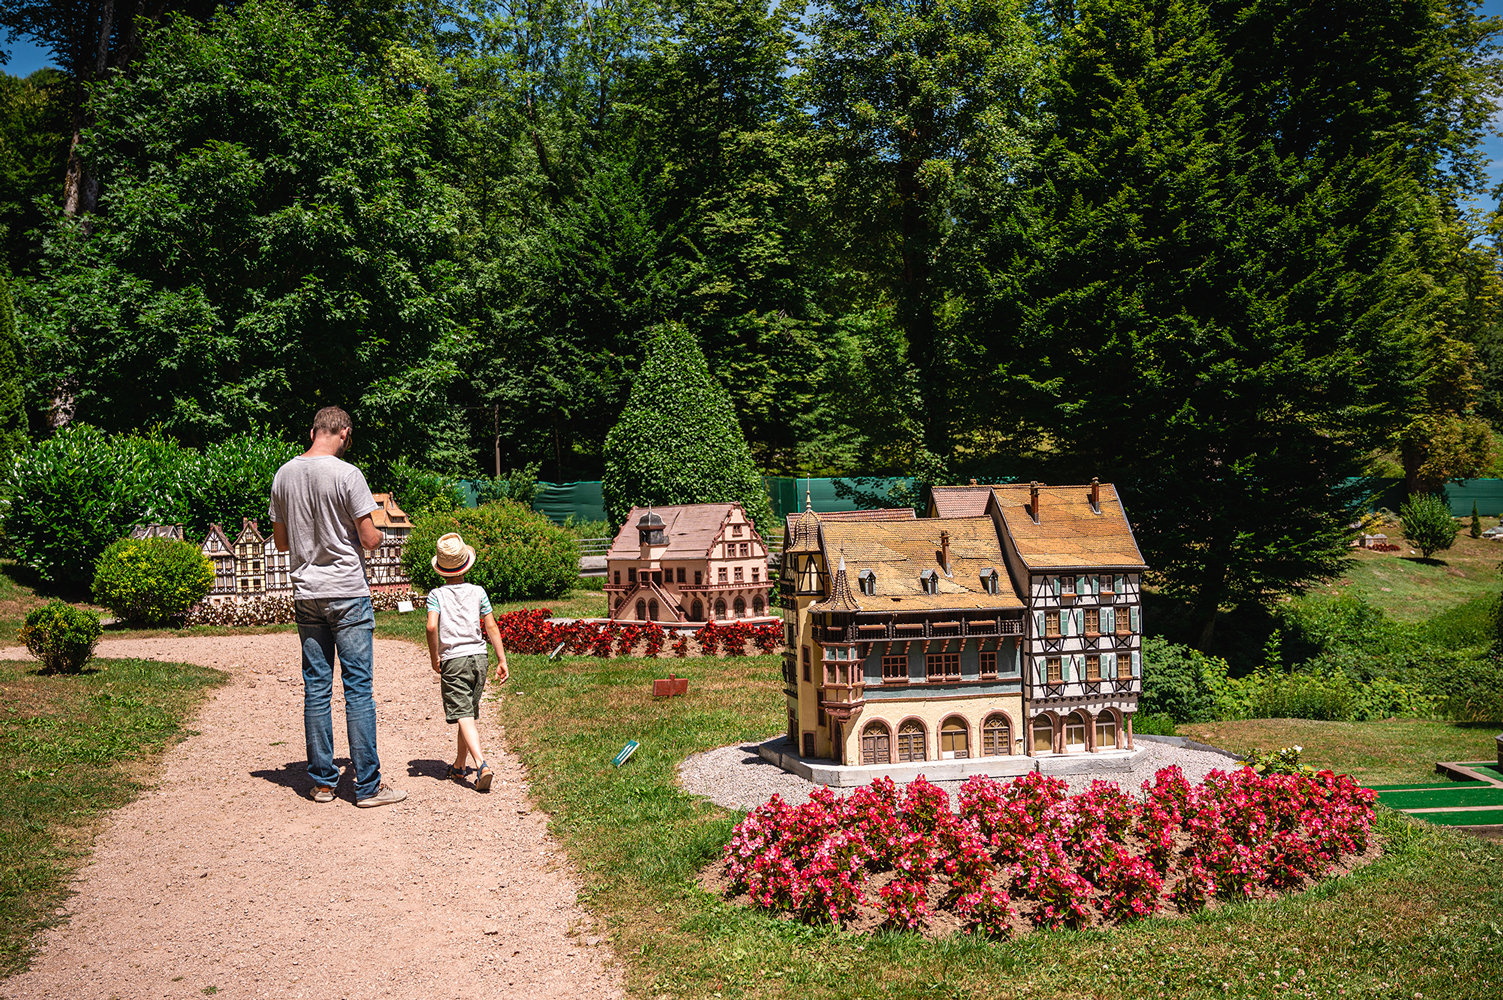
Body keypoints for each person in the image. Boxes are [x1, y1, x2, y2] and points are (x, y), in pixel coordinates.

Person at [270, 406, 406, 808]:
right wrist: (378, 534)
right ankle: (367, 787)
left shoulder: (283, 475)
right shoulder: (348, 475)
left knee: (316, 687)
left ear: (313, 430)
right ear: (344, 433)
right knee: (358, 689)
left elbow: (280, 543)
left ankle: (324, 784)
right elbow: (367, 539)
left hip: (307, 593)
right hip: (346, 591)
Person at [424, 532, 509, 790]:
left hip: (454, 660)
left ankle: (482, 764)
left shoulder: (436, 595)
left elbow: (430, 627)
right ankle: (460, 766)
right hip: (479, 659)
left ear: (441, 569)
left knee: (462, 713)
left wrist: (434, 655)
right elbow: (491, 626)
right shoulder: (478, 591)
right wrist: (502, 659)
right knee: (467, 714)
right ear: (466, 564)